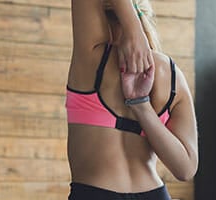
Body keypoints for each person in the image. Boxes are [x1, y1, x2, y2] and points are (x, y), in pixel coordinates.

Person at [66, 0, 198, 199]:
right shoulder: (172, 76)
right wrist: (141, 106)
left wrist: (132, 27)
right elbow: (185, 170)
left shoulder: (91, 59)